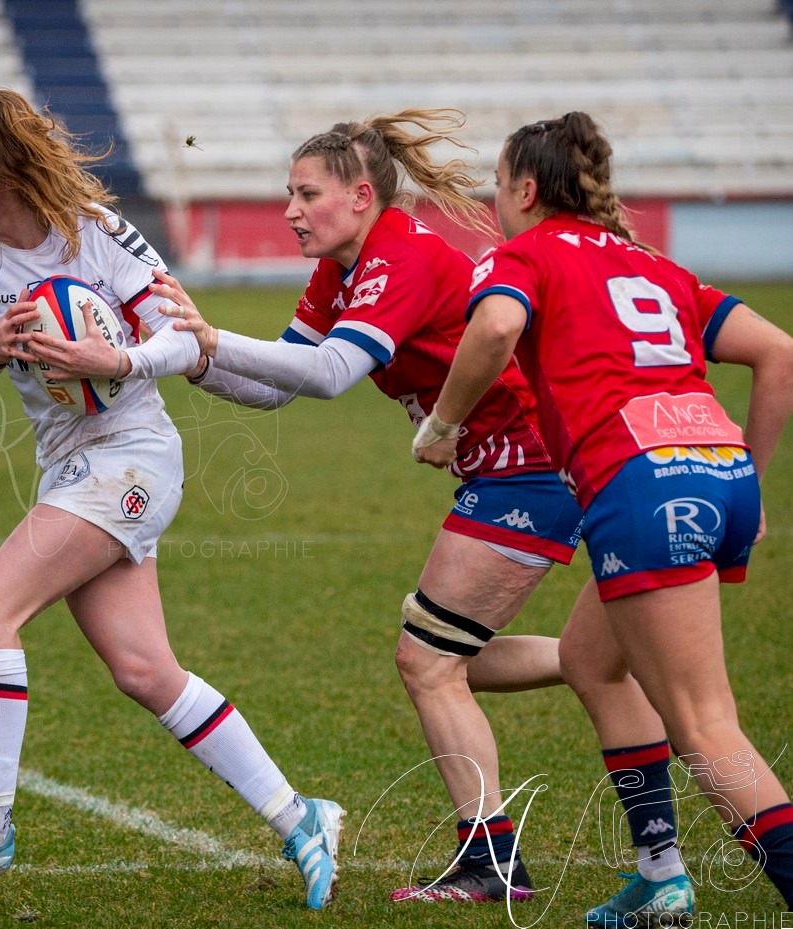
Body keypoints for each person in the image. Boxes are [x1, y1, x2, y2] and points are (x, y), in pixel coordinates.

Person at [154, 109, 669, 907]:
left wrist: (210, 336)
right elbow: (277, 381)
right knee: (456, 653)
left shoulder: (402, 255)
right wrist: (179, 355)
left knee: (426, 659)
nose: (290, 210)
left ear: (361, 197)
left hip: (530, 469)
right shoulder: (344, 267)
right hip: (509, 472)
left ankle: (491, 863)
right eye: (288, 194)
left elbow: (328, 373)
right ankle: (597, 664)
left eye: (305, 193)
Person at [0, 87, 345, 910]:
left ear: (6, 166)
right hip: (68, 466)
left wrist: (115, 363)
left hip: (134, 457)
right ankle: (299, 812)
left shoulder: (91, 227)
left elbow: (176, 331)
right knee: (144, 669)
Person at [414, 110, 793, 917]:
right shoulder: (653, 262)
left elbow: (497, 325)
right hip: (712, 472)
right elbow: (779, 353)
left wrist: (443, 424)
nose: (493, 201)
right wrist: (751, 480)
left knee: (707, 725)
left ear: (525, 187)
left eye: (497, 185)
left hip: (641, 485)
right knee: (592, 659)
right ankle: (661, 875)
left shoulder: (522, 254)